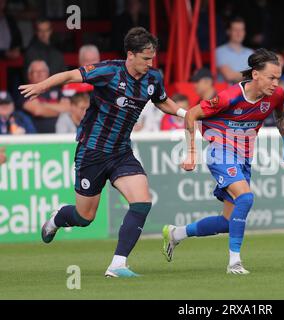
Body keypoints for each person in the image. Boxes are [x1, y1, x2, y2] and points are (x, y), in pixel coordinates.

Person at [19, 27, 187, 278]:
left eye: (152, 58)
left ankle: (118, 264)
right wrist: (42, 86)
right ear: (130, 55)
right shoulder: (109, 71)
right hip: (92, 152)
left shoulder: (153, 78)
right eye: (145, 58)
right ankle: (57, 218)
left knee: (142, 202)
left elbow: (161, 100)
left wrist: (185, 114)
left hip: (121, 152)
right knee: (84, 216)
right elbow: (69, 76)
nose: (150, 63)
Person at [162, 49, 284, 274]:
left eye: (278, 78)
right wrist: (191, 153)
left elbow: (280, 115)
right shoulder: (229, 96)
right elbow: (191, 114)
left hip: (244, 157)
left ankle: (176, 233)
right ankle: (234, 262)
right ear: (255, 74)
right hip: (220, 152)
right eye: (271, 77)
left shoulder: (277, 95)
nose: (276, 83)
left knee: (228, 221)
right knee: (245, 198)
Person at [22, 60, 70, 133]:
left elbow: (67, 108)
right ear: (29, 75)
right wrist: (59, 109)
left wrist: (43, 105)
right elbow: (38, 111)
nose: (40, 74)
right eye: (36, 71)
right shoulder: (25, 91)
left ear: (48, 74)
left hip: (59, 136)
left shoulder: (58, 91)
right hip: (35, 138)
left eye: (42, 71)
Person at [215, 17, 254, 84]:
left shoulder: (251, 52)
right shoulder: (220, 51)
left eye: (241, 30)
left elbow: (257, 74)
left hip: (247, 93)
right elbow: (229, 76)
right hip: (228, 93)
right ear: (228, 31)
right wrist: (252, 73)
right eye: (235, 30)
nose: (239, 33)